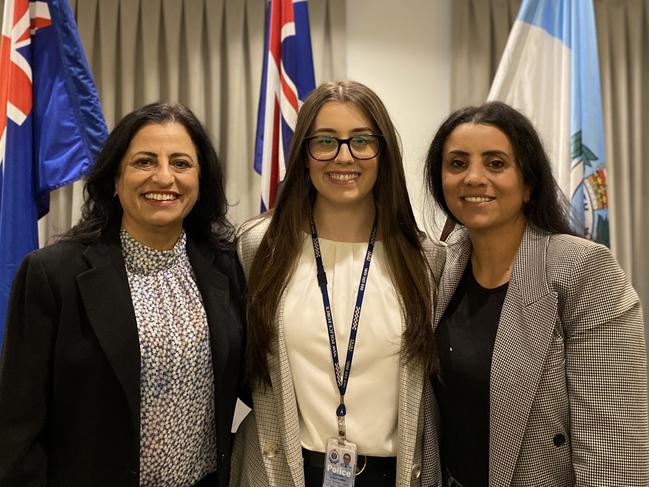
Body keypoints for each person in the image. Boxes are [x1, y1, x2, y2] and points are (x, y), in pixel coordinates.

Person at [0, 103, 246, 487]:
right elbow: (18, 425)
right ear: (115, 179)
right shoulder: (53, 275)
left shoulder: (226, 266)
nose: (164, 177)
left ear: (201, 181)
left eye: (181, 163)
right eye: (144, 162)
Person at [421, 101, 649, 486]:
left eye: (495, 163)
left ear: (528, 184)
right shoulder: (442, 266)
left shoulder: (583, 269)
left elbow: (615, 447)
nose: (474, 177)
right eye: (458, 164)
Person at [230, 80, 444, 487]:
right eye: (326, 140)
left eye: (362, 140)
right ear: (304, 155)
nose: (343, 156)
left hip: (392, 475)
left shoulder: (425, 258)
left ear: (384, 153)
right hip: (281, 473)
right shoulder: (258, 246)